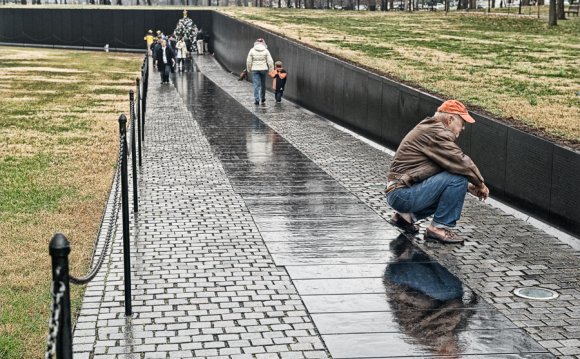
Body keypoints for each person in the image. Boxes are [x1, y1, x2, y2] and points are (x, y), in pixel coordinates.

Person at [384, 99, 489, 244]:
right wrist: (481, 185)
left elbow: (437, 174)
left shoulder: (431, 128)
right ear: (450, 119)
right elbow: (461, 162)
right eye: (462, 123)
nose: (463, 128)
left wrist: (469, 188)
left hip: (399, 191)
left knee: (457, 180)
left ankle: (405, 218)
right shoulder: (437, 133)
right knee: (459, 178)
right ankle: (438, 229)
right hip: (402, 194)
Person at [246, 38, 274, 105]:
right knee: (263, 84)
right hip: (263, 69)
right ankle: (263, 98)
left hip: (255, 69)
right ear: (264, 43)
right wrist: (271, 70)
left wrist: (249, 69)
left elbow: (248, 61)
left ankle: (257, 99)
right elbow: (270, 61)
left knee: (256, 85)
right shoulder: (266, 50)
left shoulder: (252, 50)